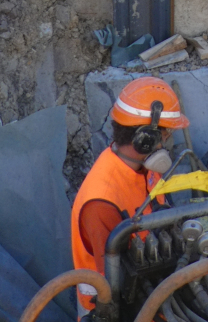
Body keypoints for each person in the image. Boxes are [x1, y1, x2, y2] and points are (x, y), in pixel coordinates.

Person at [70, 77, 189, 317]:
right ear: (146, 139)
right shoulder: (101, 202)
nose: (169, 142)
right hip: (116, 311)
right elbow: (119, 290)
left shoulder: (143, 166)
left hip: (155, 288)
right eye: (166, 135)